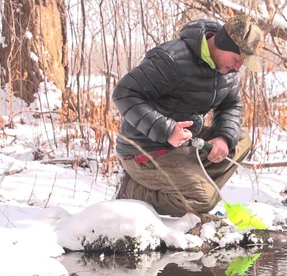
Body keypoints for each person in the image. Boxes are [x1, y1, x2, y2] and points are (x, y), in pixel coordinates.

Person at [112, 15, 264, 217]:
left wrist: (223, 137)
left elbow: (231, 104)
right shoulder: (171, 59)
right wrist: (166, 130)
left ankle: (189, 189)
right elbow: (124, 93)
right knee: (204, 199)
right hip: (145, 149)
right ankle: (131, 191)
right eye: (237, 60)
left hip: (185, 143)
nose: (238, 68)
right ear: (222, 44)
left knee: (240, 140)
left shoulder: (228, 71)